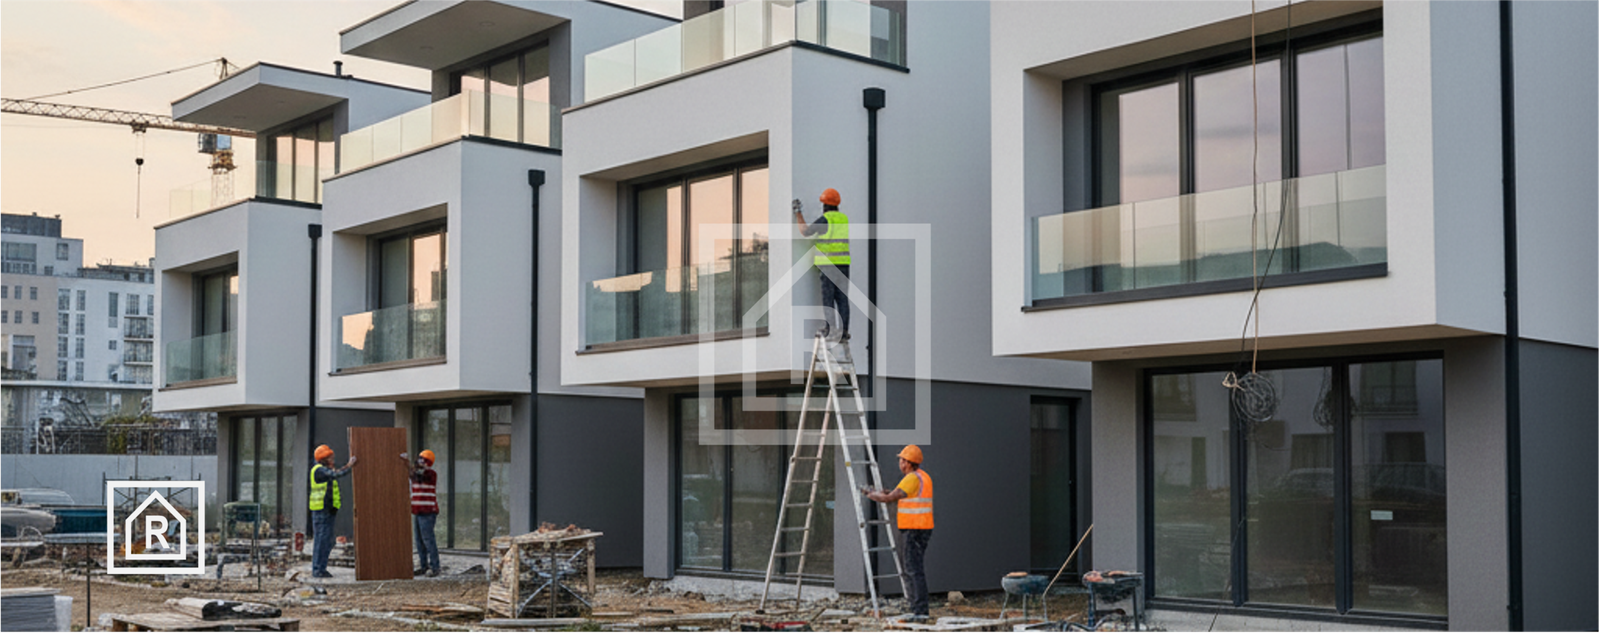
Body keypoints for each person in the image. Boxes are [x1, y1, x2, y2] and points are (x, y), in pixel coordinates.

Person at [863, 445, 933, 621]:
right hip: (920, 528)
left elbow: (889, 498)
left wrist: (871, 494)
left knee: (913, 569)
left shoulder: (911, 479)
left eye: (902, 460)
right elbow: (898, 495)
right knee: (913, 568)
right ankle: (918, 608)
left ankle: (920, 610)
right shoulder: (922, 477)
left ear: (909, 463)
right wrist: (885, 493)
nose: (900, 463)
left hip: (914, 529)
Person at [792, 188, 851, 342]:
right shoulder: (843, 219)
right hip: (843, 265)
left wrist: (798, 213)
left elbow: (805, 231)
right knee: (842, 299)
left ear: (825, 205)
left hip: (828, 266)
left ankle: (831, 330)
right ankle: (844, 332)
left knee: (828, 299)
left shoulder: (826, 219)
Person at [309, 444, 357, 579]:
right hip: (321, 511)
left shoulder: (323, 469)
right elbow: (336, 474)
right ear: (323, 459)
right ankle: (318, 570)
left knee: (328, 541)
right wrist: (349, 465)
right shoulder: (319, 470)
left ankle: (321, 568)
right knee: (322, 541)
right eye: (330, 458)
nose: (333, 460)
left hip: (327, 511)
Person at [400, 449, 441, 577]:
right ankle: (424, 566)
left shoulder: (431, 474)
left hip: (428, 512)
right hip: (418, 512)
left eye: (422, 459)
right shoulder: (416, 474)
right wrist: (406, 464)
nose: (419, 461)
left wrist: (408, 463)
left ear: (427, 462)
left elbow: (419, 475)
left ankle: (435, 567)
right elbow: (413, 474)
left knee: (428, 540)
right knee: (419, 541)